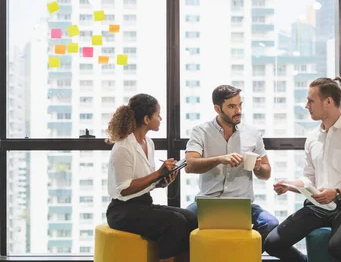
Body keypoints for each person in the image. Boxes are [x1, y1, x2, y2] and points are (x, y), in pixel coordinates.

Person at [263, 77, 341, 262]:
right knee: (272, 243)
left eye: (311, 101)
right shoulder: (312, 137)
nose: (306, 105)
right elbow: (309, 179)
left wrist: (337, 193)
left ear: (328, 101)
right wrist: (289, 185)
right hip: (318, 206)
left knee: (338, 246)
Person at [184, 84, 279, 251]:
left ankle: (241, 254)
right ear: (217, 108)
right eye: (231, 106)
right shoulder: (200, 131)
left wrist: (257, 167)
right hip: (208, 202)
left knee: (271, 224)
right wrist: (220, 159)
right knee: (180, 223)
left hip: (242, 203)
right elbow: (190, 165)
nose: (238, 110)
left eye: (240, 105)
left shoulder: (252, 133)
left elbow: (266, 172)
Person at [105, 93, 197, 262]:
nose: (160, 118)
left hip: (143, 204)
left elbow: (145, 181)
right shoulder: (123, 147)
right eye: (157, 115)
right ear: (146, 119)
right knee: (175, 223)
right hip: (122, 211)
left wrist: (162, 181)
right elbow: (124, 189)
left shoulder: (149, 143)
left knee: (192, 219)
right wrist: (157, 174)